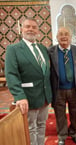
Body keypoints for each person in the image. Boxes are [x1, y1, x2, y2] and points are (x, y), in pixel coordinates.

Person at [5, 17, 52, 145]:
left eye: (34, 27)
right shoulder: (13, 49)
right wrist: (19, 96)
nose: (30, 29)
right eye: (27, 26)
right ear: (21, 29)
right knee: (31, 128)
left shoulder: (42, 48)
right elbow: (11, 74)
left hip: (44, 96)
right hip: (27, 97)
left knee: (42, 125)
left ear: (38, 31)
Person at [48, 27, 76, 145]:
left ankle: (74, 133)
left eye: (66, 34)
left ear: (71, 37)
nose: (64, 36)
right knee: (59, 114)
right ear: (57, 37)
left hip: (74, 88)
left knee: (75, 113)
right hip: (58, 89)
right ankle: (62, 135)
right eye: (61, 34)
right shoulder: (50, 51)